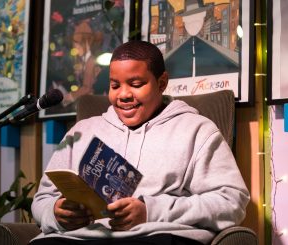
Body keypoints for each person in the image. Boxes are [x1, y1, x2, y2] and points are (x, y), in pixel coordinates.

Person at [30, 40, 250, 245]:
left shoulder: (198, 131)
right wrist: (56, 213)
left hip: (154, 236)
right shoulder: (81, 132)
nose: (123, 94)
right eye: (115, 85)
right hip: (81, 238)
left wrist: (150, 211)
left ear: (162, 82)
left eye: (136, 84)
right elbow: (42, 200)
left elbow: (231, 202)